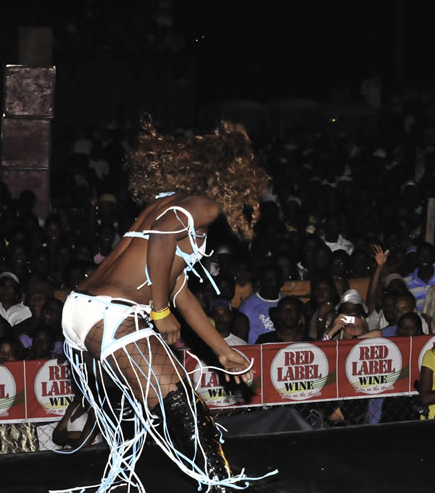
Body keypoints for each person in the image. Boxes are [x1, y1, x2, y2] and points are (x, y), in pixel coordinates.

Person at [60, 116, 274, 492]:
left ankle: (219, 481)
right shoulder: (200, 207)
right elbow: (161, 242)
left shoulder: (170, 203)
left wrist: (222, 351)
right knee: (185, 410)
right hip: (114, 313)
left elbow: (178, 289)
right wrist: (159, 311)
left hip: (87, 312)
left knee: (178, 406)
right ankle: (223, 485)